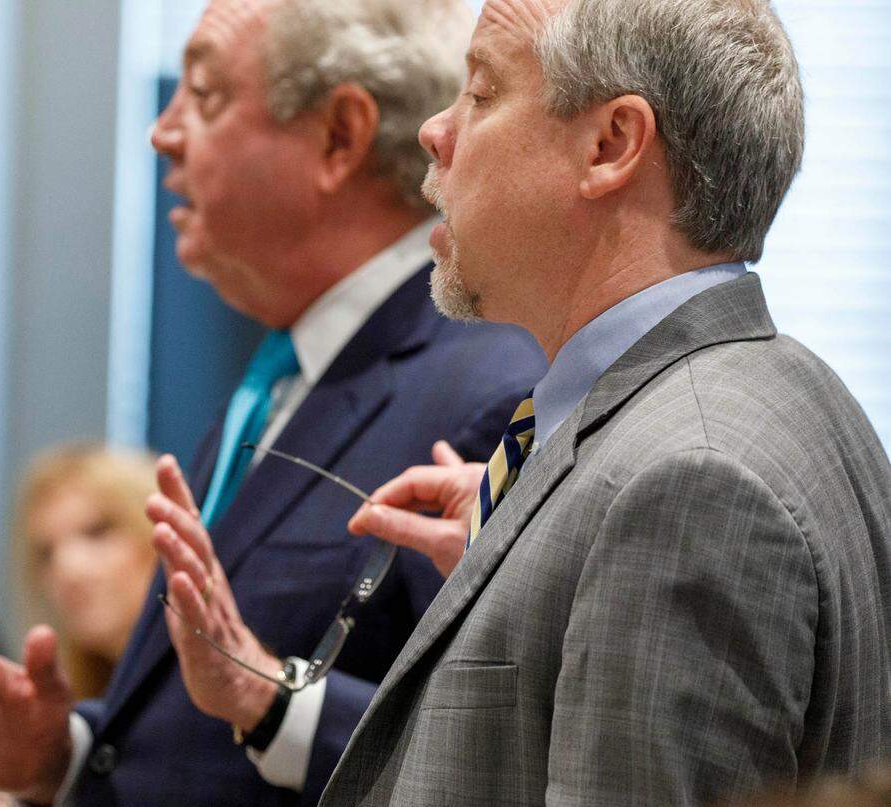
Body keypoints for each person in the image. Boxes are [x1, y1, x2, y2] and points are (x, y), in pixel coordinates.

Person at [0, 0, 547, 804]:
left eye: (203, 96)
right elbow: (201, 727)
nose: (162, 133)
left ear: (339, 136)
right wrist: (68, 753)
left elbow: (501, 760)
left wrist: (274, 701)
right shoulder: (285, 373)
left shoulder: (488, 391)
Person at [320, 0, 891, 804]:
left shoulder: (688, 481)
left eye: (482, 93)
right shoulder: (777, 390)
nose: (435, 132)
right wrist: (520, 543)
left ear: (610, 144)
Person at [14, 444, 158, 699]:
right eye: (47, 553)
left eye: (96, 532)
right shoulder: (70, 714)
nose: (67, 569)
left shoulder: (224, 694)